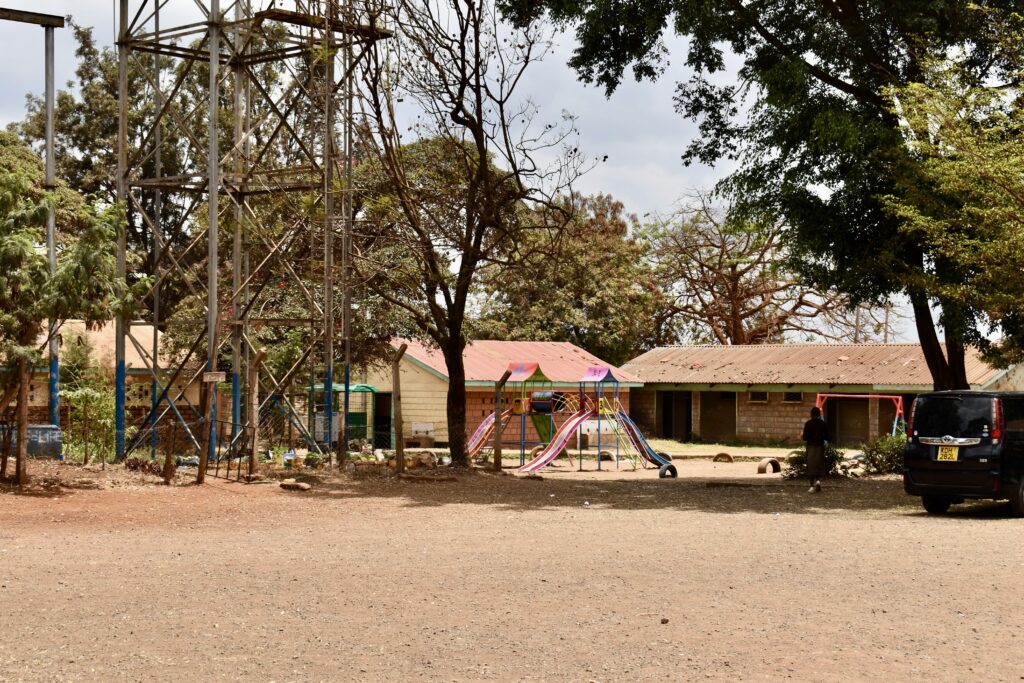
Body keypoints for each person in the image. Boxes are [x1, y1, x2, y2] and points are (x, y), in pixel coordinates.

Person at [801, 406, 827, 493]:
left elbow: (805, 437)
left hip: (811, 446)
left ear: (811, 414)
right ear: (819, 414)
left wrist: (805, 436)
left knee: (811, 465)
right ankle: (818, 481)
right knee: (819, 464)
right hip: (820, 446)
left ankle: (812, 486)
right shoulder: (823, 424)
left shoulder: (808, 424)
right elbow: (827, 436)